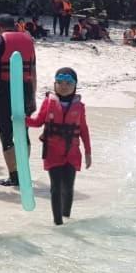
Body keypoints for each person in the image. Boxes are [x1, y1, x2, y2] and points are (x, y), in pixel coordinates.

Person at [25, 67, 92, 226]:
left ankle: (66, 216)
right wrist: (22, 119)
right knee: (55, 188)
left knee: (68, 187)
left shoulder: (79, 107)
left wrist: (88, 152)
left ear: (74, 86)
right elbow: (38, 121)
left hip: (72, 153)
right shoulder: (49, 102)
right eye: (60, 82)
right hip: (53, 152)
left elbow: (83, 130)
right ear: (54, 84)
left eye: (68, 83)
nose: (64, 86)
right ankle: (58, 223)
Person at [0, 13, 37, 187]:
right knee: (23, 131)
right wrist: (33, 97)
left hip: (7, 90)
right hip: (26, 90)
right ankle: (24, 171)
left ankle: (14, 176)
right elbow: (33, 71)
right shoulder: (29, 40)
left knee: (6, 134)